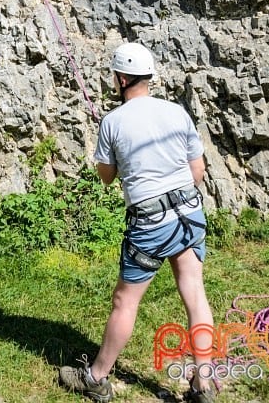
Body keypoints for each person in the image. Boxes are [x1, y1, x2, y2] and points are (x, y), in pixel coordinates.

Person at [59, 42, 215, 403]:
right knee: (195, 295)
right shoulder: (176, 112)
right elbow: (198, 171)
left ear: (122, 77)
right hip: (189, 213)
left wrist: (109, 153)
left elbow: (107, 176)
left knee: (125, 302)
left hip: (150, 222)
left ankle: (96, 378)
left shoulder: (112, 121)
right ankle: (202, 384)